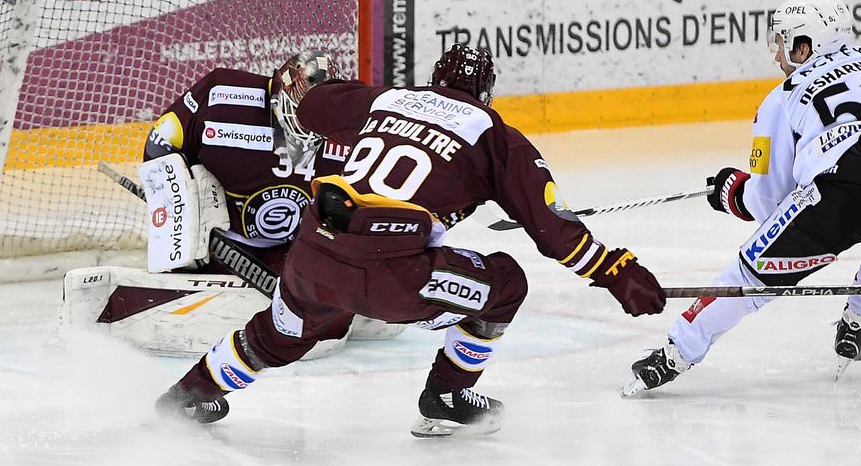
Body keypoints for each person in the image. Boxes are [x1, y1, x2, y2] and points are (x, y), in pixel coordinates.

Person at [156, 43, 667, 435]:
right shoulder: (494, 136)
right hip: (395, 278)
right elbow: (556, 233)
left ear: (433, 82)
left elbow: (310, 104)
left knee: (284, 331)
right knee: (506, 283)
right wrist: (617, 272)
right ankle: (446, 396)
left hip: (311, 254)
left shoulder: (389, 100)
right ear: (487, 97)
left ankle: (190, 392)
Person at [623, 0, 861, 395]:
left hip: (839, 200)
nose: (778, 54)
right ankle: (860, 320)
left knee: (747, 277)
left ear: (805, 46)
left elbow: (768, 200)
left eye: (783, 42)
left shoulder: (784, 95)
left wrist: (732, 192)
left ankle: (676, 353)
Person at [140, 50, 345, 278]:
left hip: (298, 250)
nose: (308, 125)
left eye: (319, 117)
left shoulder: (351, 126)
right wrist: (180, 220)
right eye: (300, 112)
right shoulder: (222, 95)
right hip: (219, 244)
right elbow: (160, 144)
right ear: (279, 93)